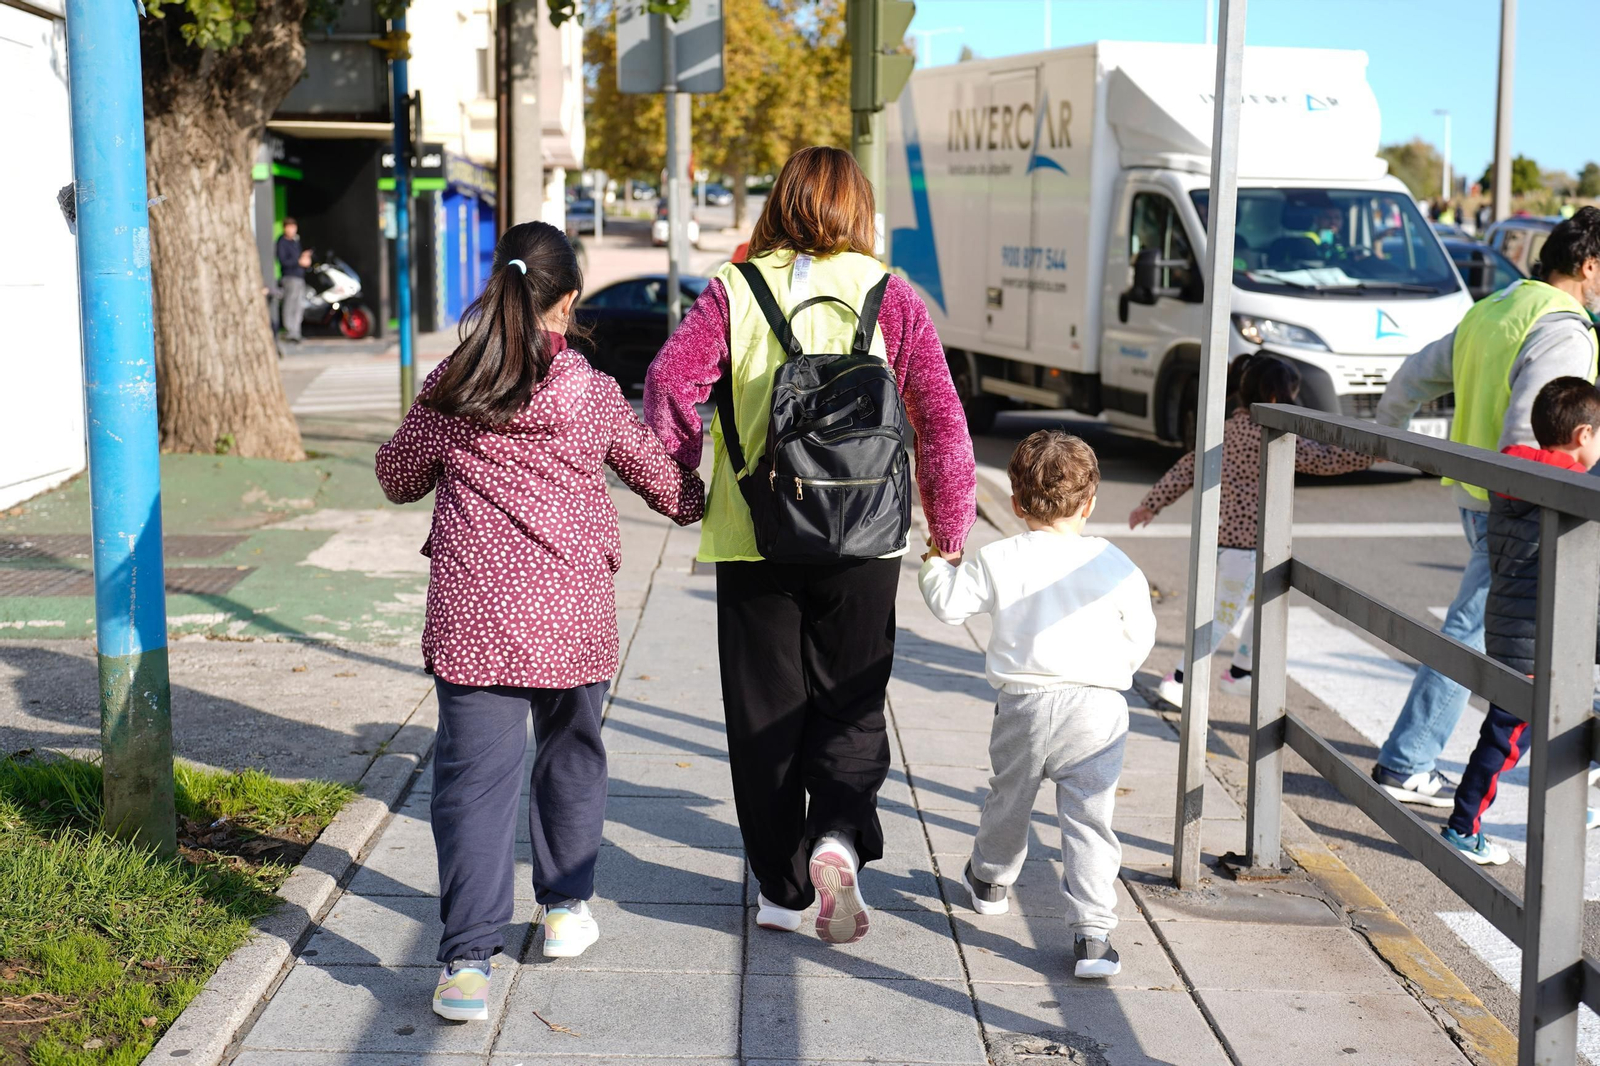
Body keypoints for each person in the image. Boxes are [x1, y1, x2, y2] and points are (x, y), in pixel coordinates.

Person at [643, 146, 977, 945]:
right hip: (867, 535)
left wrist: (684, 486)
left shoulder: (734, 290)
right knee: (852, 700)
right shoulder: (891, 294)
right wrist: (949, 531)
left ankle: (785, 894)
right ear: (858, 210)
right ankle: (837, 834)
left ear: (779, 202)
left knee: (765, 718)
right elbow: (940, 419)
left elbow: (667, 386)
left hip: (755, 532)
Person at [374, 221, 704, 1020]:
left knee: (473, 786)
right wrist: (703, 484)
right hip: (571, 617)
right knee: (571, 759)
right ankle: (563, 912)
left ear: (501, 286)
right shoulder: (588, 391)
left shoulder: (455, 384)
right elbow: (671, 491)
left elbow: (396, 475)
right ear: (570, 301)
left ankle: (464, 966)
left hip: (475, 619)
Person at [1368, 207, 1600, 807]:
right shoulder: (1564, 329)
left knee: (1492, 629)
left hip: (1478, 497)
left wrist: (1383, 434)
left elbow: (1415, 375)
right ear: (1590, 266)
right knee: (1482, 632)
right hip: (1522, 505)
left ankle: (1415, 758)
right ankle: (1409, 760)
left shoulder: (1495, 308)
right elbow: (1534, 433)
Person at [919, 431, 1155, 978]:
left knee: (1011, 798)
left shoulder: (1000, 556)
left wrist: (937, 560)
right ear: (1091, 502)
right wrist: (1109, 670)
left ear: (1017, 503)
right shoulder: (1116, 562)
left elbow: (951, 607)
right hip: (1098, 708)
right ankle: (1094, 935)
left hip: (1024, 703)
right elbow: (1140, 634)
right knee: (1091, 820)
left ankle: (992, 879)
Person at [1130, 355, 1374, 707]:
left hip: (1234, 544)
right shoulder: (1270, 436)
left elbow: (1187, 468)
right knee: (1224, 616)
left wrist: (1152, 503)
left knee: (1264, 608)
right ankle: (1180, 678)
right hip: (1250, 547)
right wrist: (1369, 455)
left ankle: (1241, 672)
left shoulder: (1226, 431)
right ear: (1275, 398)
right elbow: (1324, 459)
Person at [1440, 377, 1600, 863]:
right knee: (1505, 741)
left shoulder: (1516, 475)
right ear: (1583, 435)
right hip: (1537, 639)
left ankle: (1554, 807)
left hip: (1517, 626)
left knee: (1543, 723)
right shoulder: (1568, 486)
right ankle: (1462, 827)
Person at [276, 218, 307, 344]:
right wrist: (298, 262)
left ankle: (296, 332)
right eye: (289, 227)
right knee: (289, 304)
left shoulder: (296, 242)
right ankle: (289, 331)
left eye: (294, 227)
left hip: (300, 277)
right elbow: (283, 261)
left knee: (299, 305)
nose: (292, 230)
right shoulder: (282, 242)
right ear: (285, 228)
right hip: (289, 277)